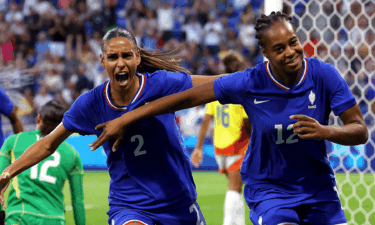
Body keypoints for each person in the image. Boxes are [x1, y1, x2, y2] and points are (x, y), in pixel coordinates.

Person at [87, 12, 368, 225]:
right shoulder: (251, 81)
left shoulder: (323, 75)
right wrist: (127, 118)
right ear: (266, 54)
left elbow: (360, 130)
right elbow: (188, 97)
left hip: (317, 186)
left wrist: (326, 131)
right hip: (270, 189)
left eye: (293, 42)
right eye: (279, 48)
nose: (291, 51)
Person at [0, 27, 223, 225]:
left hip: (177, 199)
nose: (120, 63)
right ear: (102, 61)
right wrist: (8, 173)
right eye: (112, 57)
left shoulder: (162, 84)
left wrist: (254, 77)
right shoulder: (91, 104)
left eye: (126, 55)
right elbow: (47, 144)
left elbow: (219, 85)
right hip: (130, 205)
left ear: (137, 57)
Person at [0, 100, 85, 225]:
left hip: (20, 217)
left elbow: (1, 180)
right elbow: (78, 201)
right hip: (55, 220)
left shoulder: (14, 141)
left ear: (38, 118)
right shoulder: (72, 153)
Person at [191, 51, 250, 225]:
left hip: (219, 147)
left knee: (235, 188)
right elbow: (247, 123)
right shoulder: (241, 92)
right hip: (237, 144)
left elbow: (206, 121)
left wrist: (198, 147)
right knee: (234, 189)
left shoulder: (217, 89)